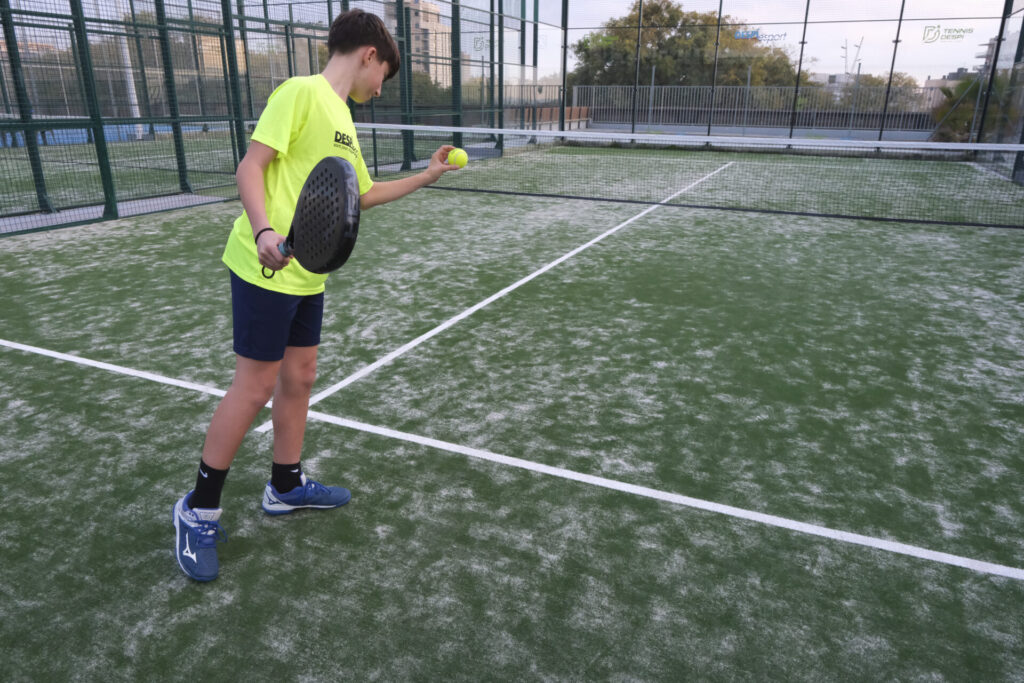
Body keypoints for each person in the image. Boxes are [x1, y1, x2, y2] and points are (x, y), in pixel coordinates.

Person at [173, 9, 459, 582]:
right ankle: (197, 509)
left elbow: (364, 194)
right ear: (369, 56)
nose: (380, 90)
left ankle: (285, 485)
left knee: (300, 379)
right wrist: (262, 232)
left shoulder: (343, 121)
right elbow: (251, 167)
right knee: (253, 388)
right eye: (384, 77)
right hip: (265, 267)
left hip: (308, 274)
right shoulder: (300, 92)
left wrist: (426, 177)